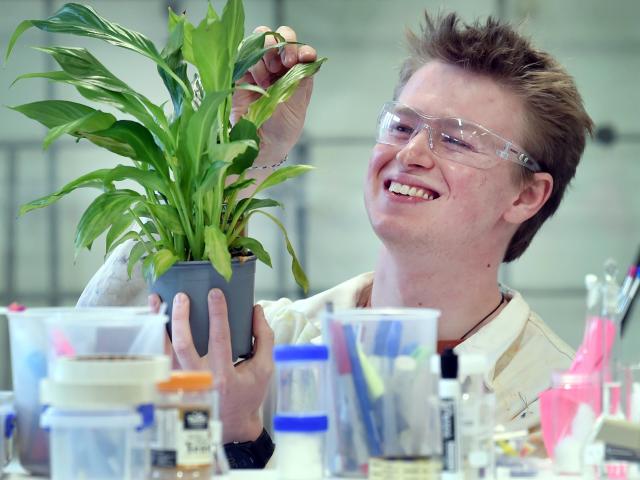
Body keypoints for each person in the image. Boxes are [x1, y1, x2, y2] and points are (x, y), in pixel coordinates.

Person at [78, 11, 594, 467]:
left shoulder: (560, 404)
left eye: (456, 138)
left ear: (526, 196)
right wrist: (236, 160)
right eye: (400, 125)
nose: (411, 152)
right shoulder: (276, 340)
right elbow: (89, 373)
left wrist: (243, 438)